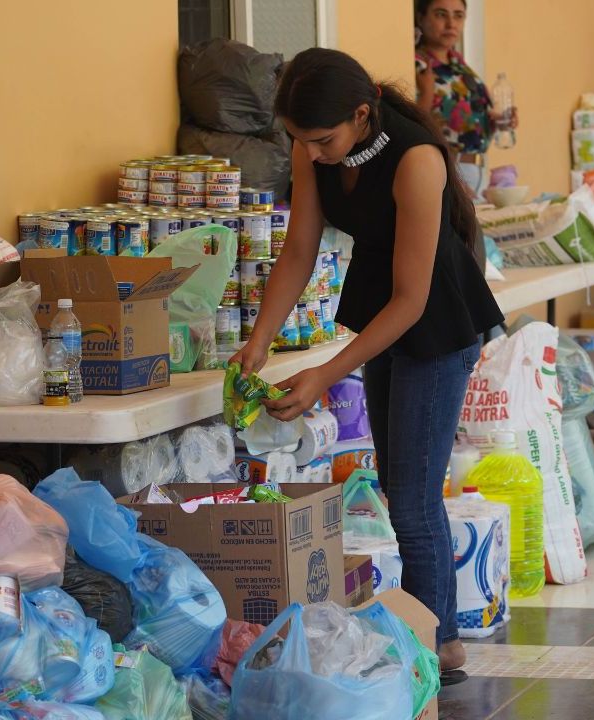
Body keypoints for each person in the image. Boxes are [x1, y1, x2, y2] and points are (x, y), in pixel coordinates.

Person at [229, 47, 504, 682]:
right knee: (397, 486)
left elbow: (414, 301)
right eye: (301, 141)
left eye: (323, 140)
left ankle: (437, 647)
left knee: (411, 497)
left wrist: (325, 374)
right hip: (386, 312)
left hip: (435, 322)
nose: (314, 153)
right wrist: (260, 338)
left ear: (361, 114)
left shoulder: (416, 161)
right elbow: (299, 248)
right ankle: (434, 636)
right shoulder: (314, 148)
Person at [414, 0, 517, 196]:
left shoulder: (460, 66)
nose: (451, 23)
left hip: (476, 169)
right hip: (445, 169)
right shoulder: (418, 66)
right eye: (441, 14)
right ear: (421, 18)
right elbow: (410, 125)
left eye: (458, 16)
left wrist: (497, 121)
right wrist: (427, 94)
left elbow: (466, 120)